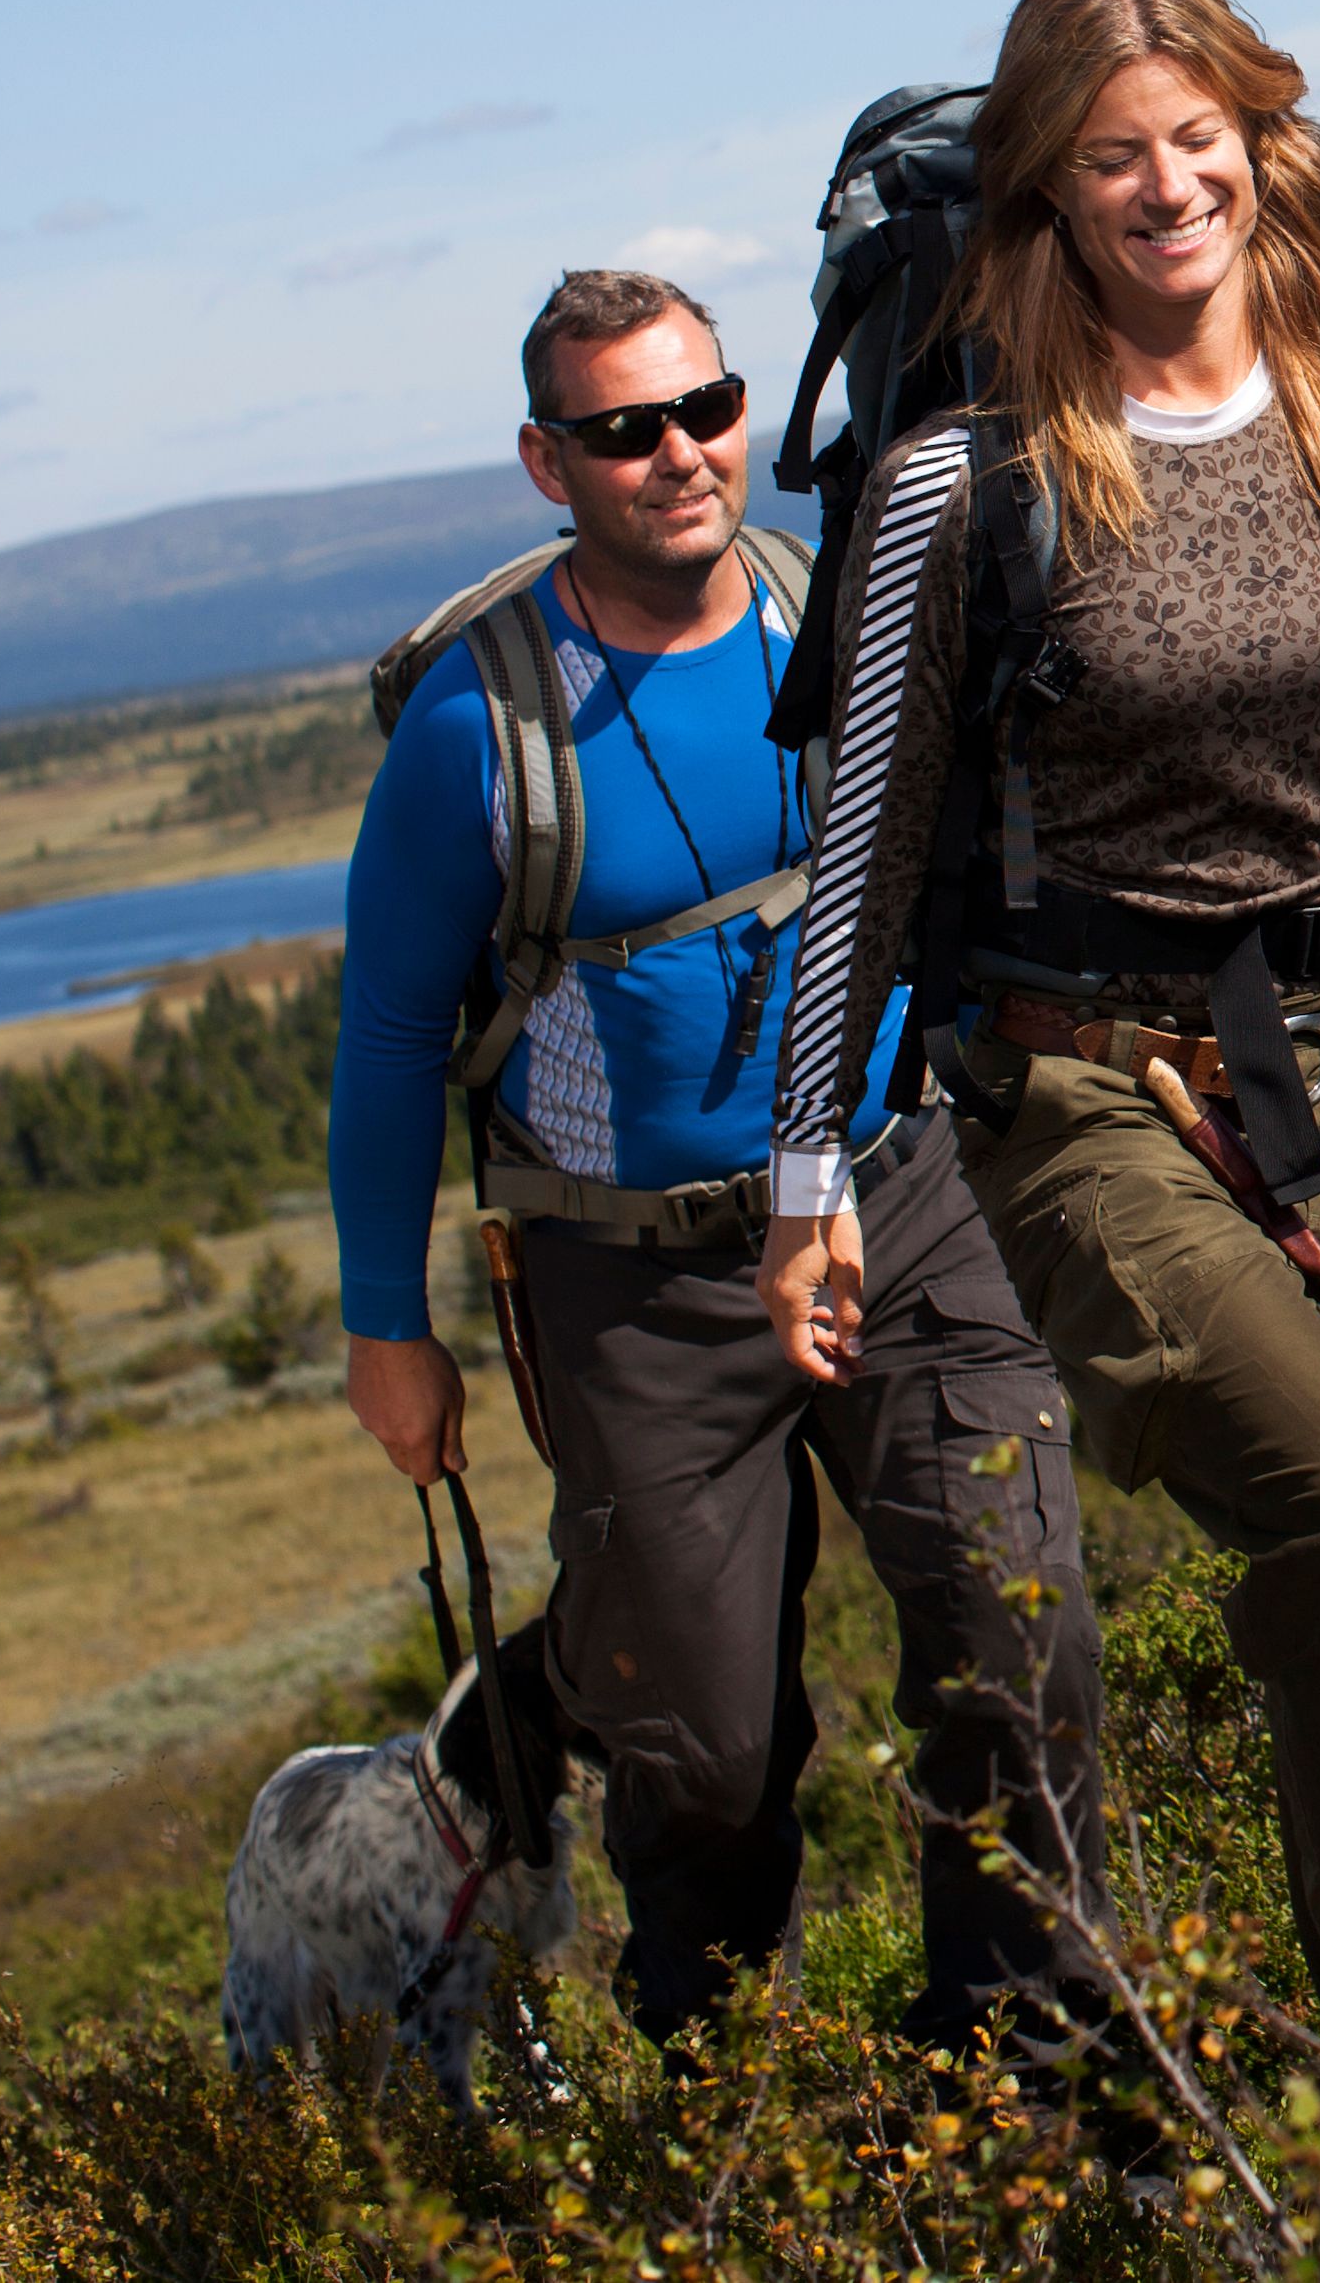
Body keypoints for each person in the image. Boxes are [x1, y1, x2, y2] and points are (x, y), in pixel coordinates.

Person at [770, 0, 1320, 2059]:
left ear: (1263, 139)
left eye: (1200, 137)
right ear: (1045, 185)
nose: (1168, 187)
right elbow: (866, 837)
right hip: (1095, 1098)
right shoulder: (968, 478)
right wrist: (806, 1168)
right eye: (1114, 155)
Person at [332, 267, 1107, 2057]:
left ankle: (1035, 2076)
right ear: (549, 463)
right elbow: (386, 1040)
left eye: (708, 406)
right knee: (706, 1750)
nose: (681, 453)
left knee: (1021, 1629)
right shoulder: (477, 728)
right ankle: (726, 2103)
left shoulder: (836, 613)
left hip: (895, 1199)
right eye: (624, 430)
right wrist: (388, 1326)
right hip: (636, 1282)